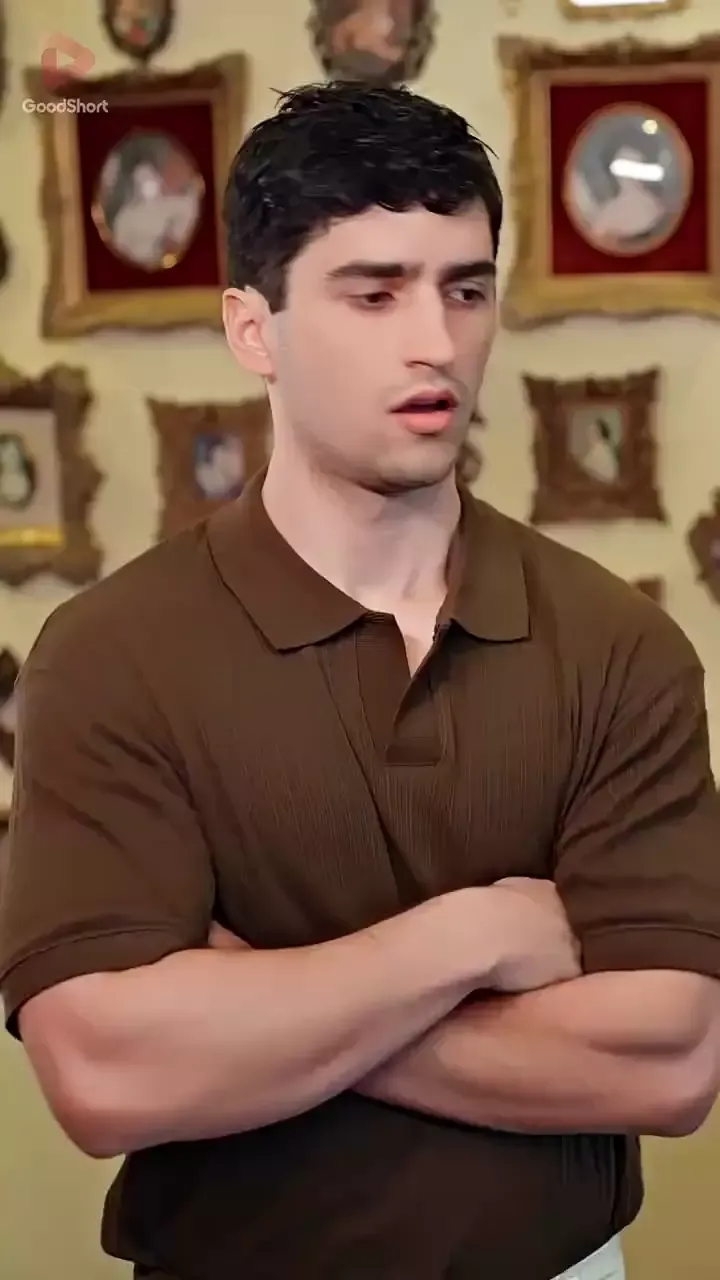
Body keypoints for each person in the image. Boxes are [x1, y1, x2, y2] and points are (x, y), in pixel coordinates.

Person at [0, 81, 719, 1280]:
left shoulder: (620, 644)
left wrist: (254, 1002)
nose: (435, 340)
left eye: (465, 288)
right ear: (253, 329)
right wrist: (467, 937)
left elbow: (670, 1059)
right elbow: (107, 1075)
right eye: (373, 292)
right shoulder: (108, 652)